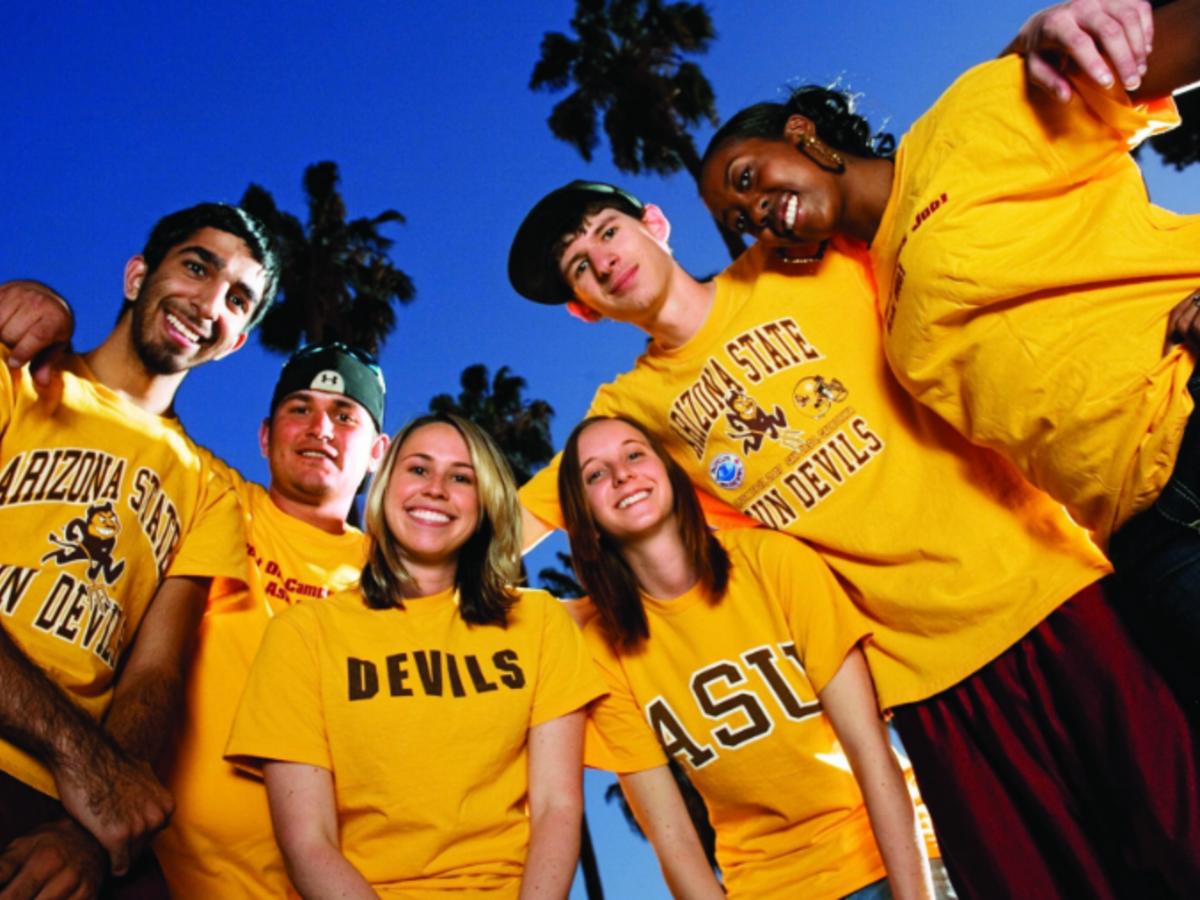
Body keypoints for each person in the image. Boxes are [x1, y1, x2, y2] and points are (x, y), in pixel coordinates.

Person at [697, 3, 1200, 694]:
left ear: (800, 133)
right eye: (738, 220)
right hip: (1142, 537)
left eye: (746, 179)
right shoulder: (878, 310)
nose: (753, 212)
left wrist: (1042, 35)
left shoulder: (965, 118)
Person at [0, 202, 279, 899]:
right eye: (197, 266)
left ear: (235, 340)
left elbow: (155, 673)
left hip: (62, 798)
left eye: (238, 299)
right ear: (136, 275)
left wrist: (89, 832)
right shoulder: (21, 376)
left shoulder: (212, 490)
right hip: (79, 766)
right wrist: (86, 762)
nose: (210, 300)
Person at [559, 414, 949, 900]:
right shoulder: (605, 649)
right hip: (764, 887)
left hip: (891, 854)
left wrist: (915, 896)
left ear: (671, 474)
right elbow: (674, 840)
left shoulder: (772, 562)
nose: (621, 475)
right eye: (595, 474)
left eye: (635, 454)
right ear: (584, 519)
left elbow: (870, 751)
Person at [225, 414, 606, 900]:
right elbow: (307, 843)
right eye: (418, 469)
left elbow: (558, 809)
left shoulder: (540, 622)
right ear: (384, 487)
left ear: (485, 502)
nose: (437, 489)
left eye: (461, 477)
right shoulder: (302, 635)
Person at [150, 343, 389, 899]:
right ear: (264, 436)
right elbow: (134, 412)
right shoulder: (217, 499)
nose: (319, 428)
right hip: (161, 873)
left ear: (377, 451)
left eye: (345, 415)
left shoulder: (401, 574)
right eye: (299, 408)